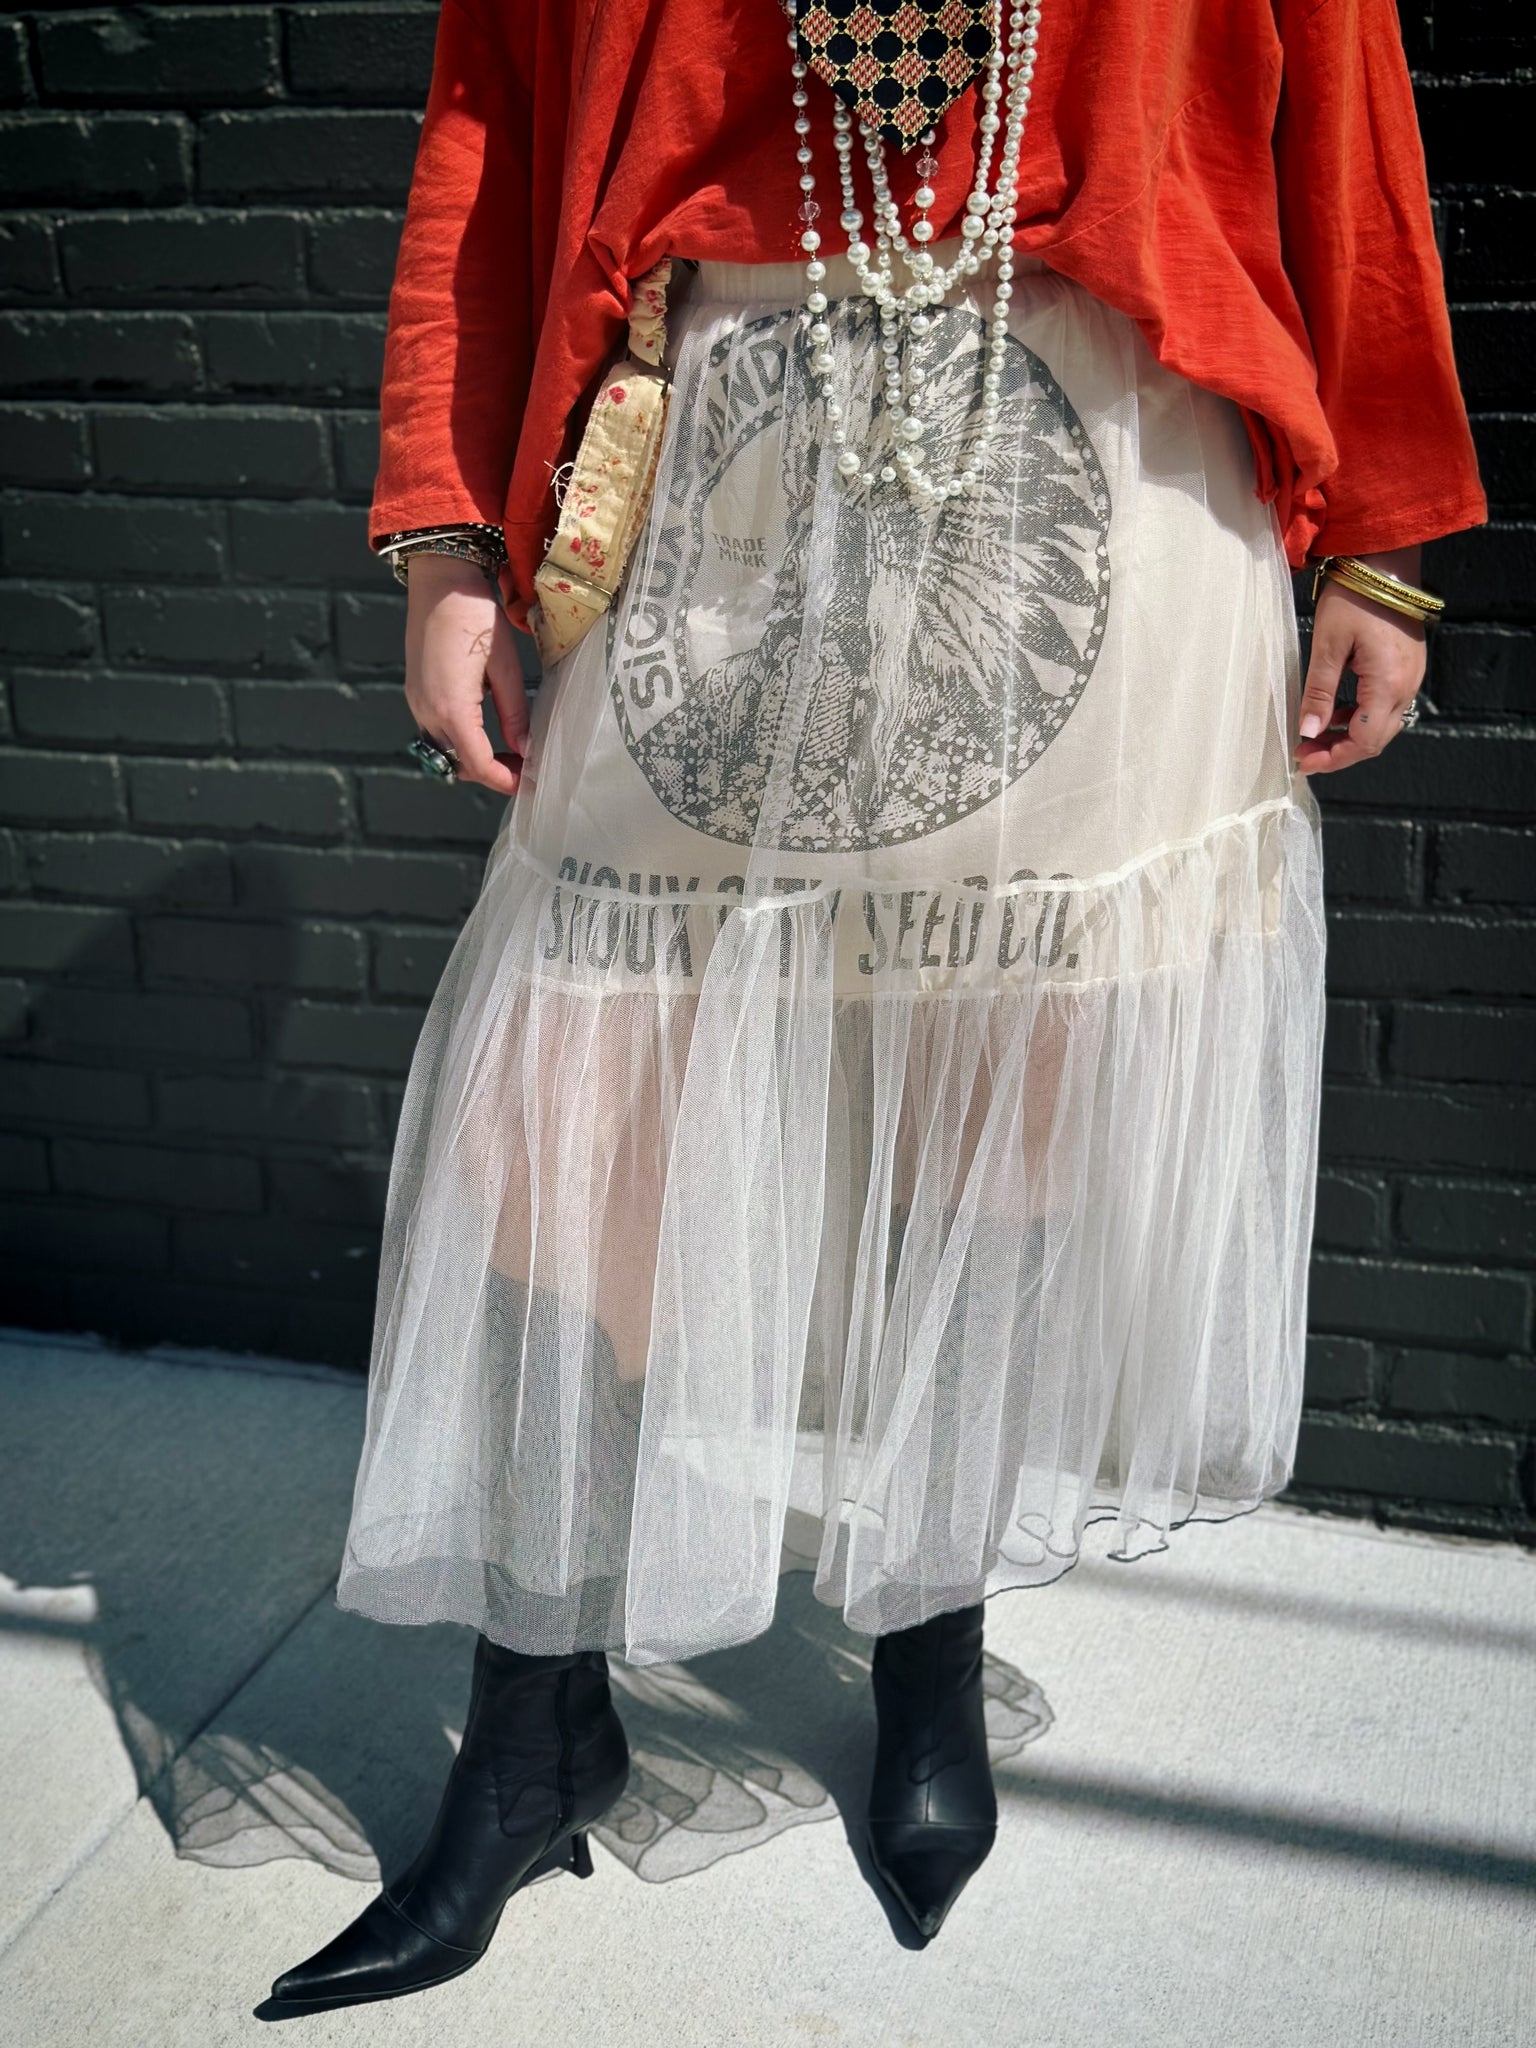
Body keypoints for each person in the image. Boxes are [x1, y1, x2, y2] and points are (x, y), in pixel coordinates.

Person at [259, 0, 1484, 2016]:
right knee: (575, 1115)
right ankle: (536, 1722)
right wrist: (450, 518)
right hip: (717, 425)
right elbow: (494, 99)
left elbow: (1338, 90)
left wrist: (1390, 533)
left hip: (1114, 420)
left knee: (1011, 1099)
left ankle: (928, 1636)